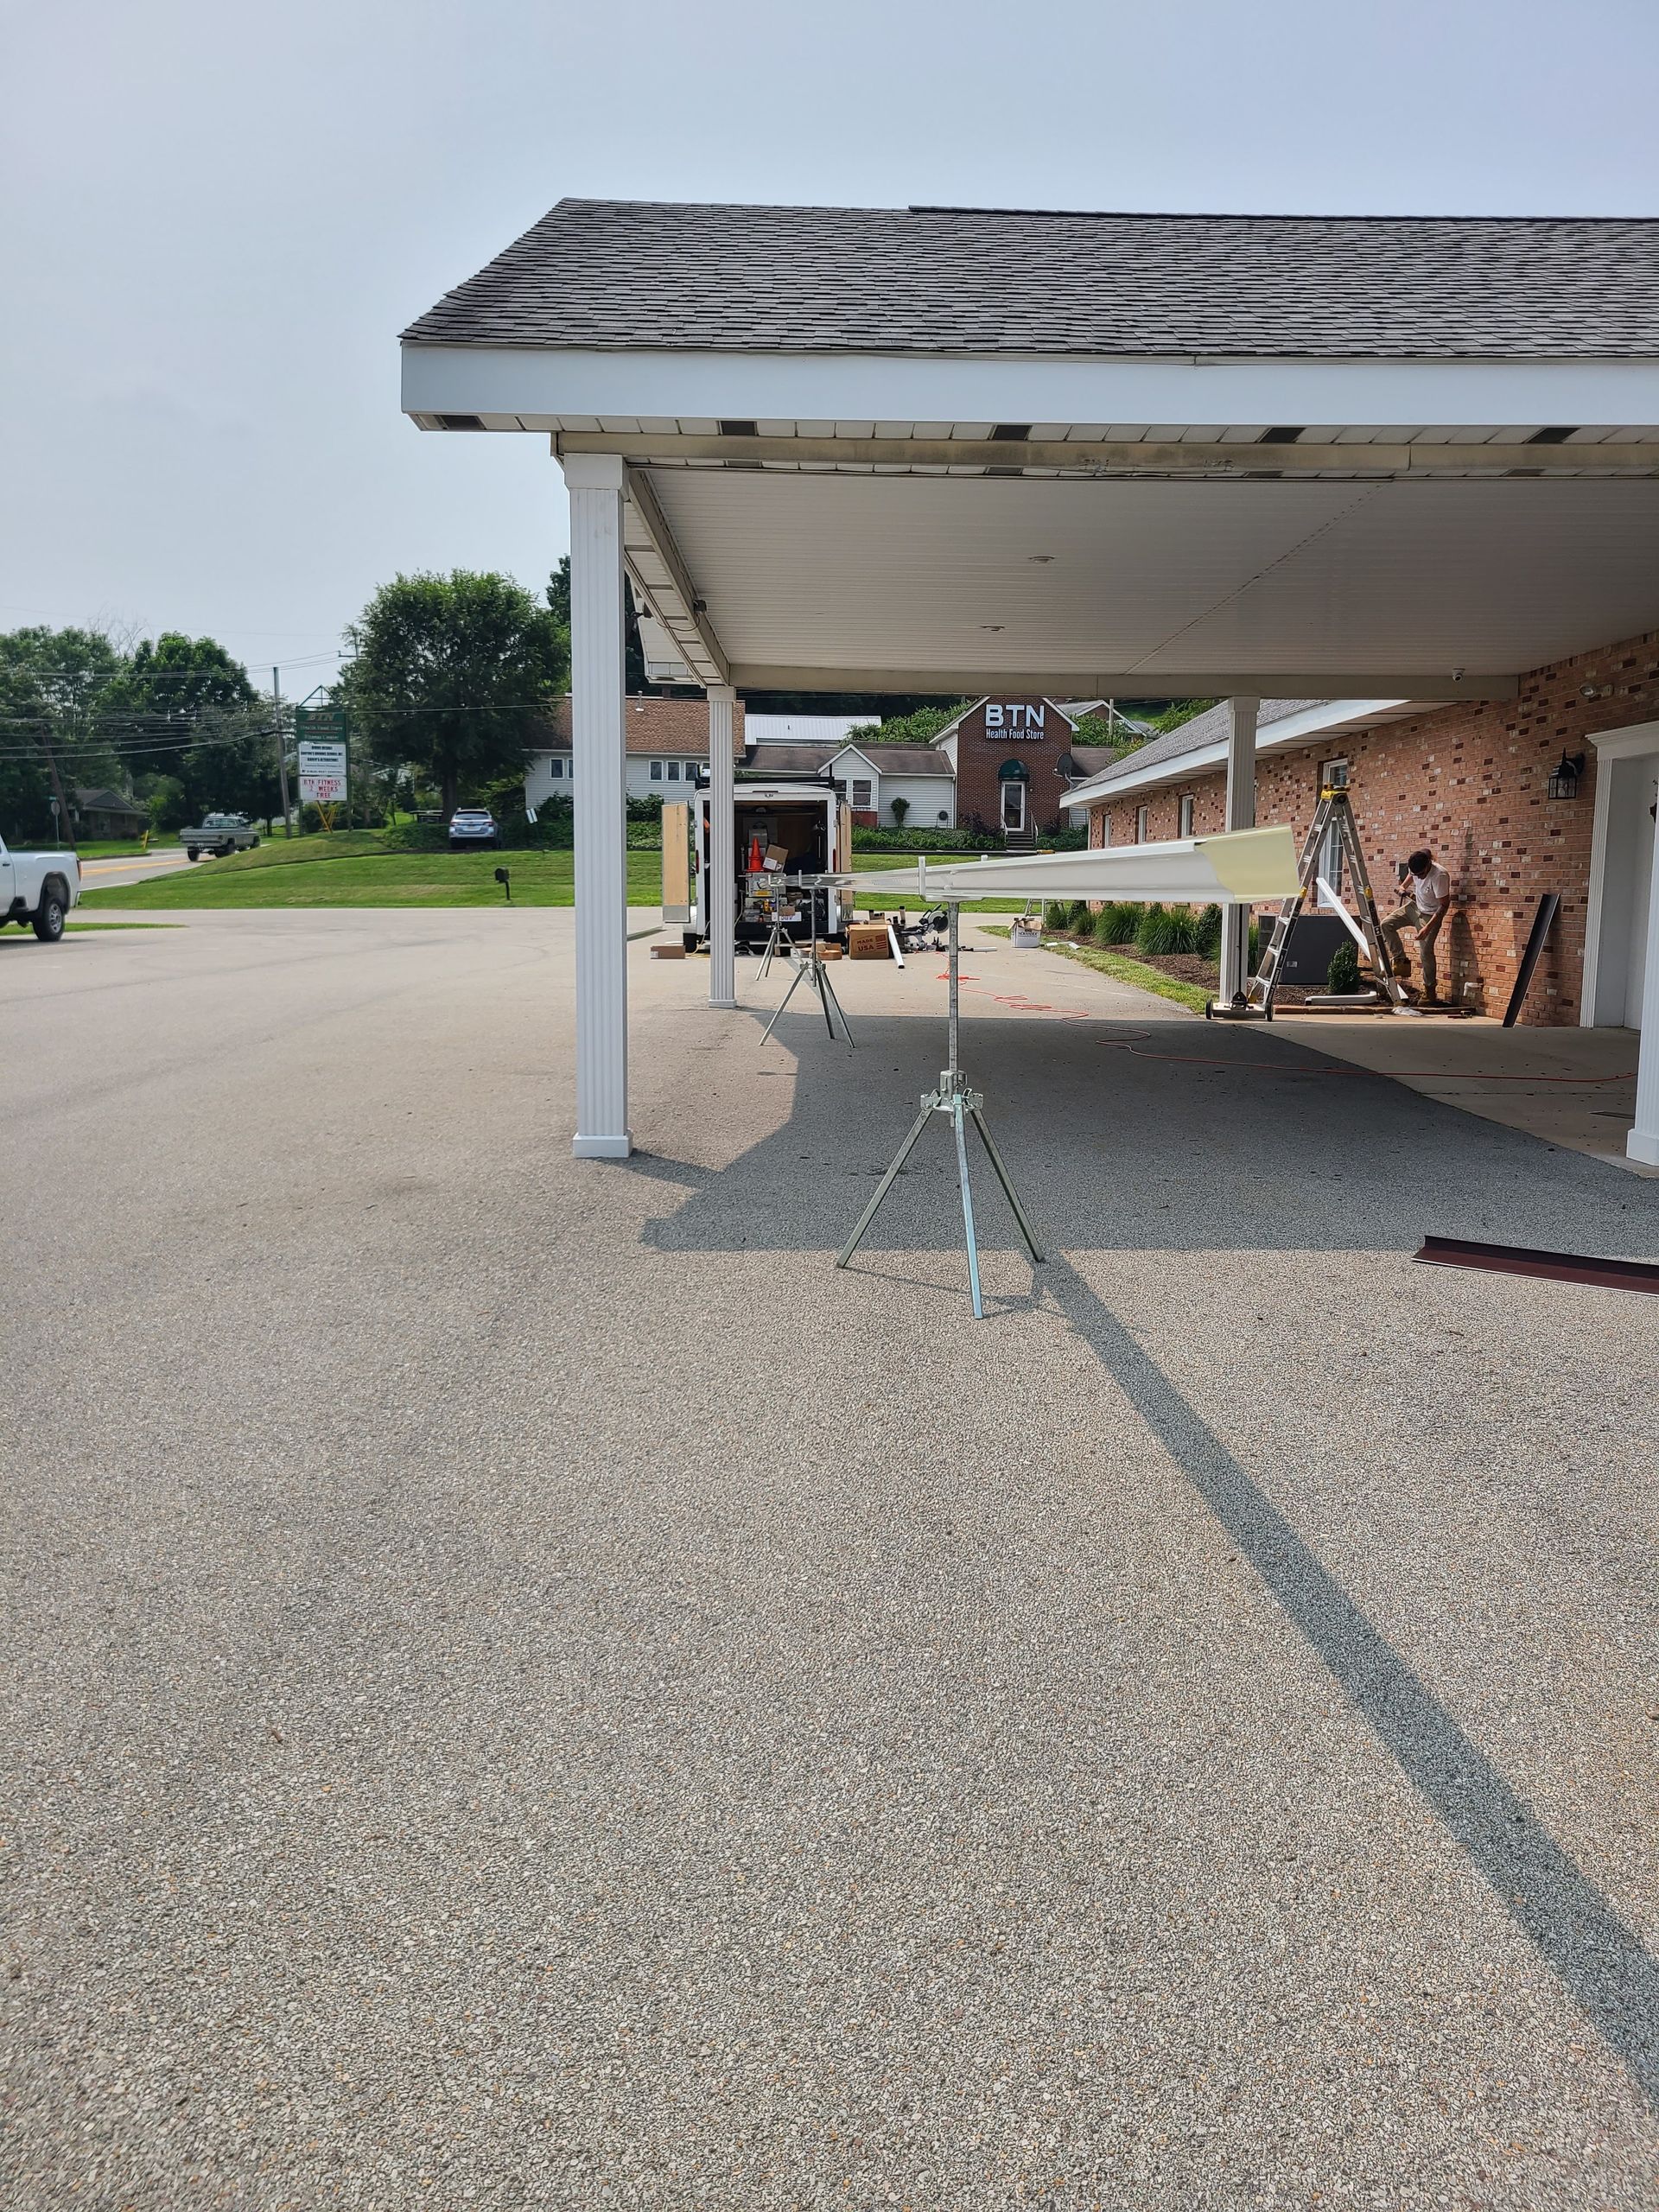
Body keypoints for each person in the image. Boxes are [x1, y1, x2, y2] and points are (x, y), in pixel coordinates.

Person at [1379, 847, 1452, 1004]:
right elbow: (1411, 877)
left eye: (1420, 874)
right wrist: (1403, 887)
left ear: (1428, 865)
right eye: (1414, 873)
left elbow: (1444, 905)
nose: (1417, 876)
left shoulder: (1440, 875)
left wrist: (1427, 928)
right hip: (1414, 907)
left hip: (1431, 914)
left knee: (1425, 951)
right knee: (1386, 924)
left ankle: (1429, 992)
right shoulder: (1415, 869)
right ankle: (1400, 961)